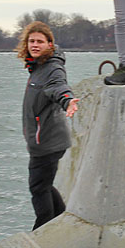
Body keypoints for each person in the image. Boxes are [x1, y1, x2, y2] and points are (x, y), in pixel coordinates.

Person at [17, 22, 80, 229]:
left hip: (48, 141)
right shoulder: (37, 67)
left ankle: (42, 230)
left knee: (38, 187)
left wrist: (67, 100)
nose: (35, 45)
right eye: (31, 41)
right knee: (43, 184)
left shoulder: (52, 68)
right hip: (43, 139)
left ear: (49, 44)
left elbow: (58, 86)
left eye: (40, 42)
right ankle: (61, 220)